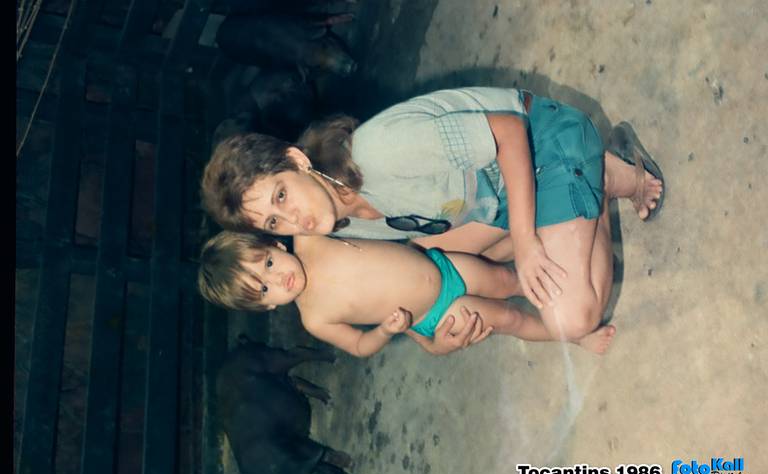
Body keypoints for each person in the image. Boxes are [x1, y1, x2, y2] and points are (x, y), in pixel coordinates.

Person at [201, 87, 664, 353]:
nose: (294, 219)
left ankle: (602, 177)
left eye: (281, 195)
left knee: (572, 319)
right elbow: (397, 285)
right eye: (275, 223)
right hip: (493, 197)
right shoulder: (334, 227)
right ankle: (566, 207)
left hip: (540, 143)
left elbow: (509, 131)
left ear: (296, 160)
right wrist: (433, 342)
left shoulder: (380, 150)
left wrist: (526, 242)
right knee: (430, 254)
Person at [197, 231, 615, 356]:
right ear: (268, 306)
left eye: (269, 263)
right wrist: (383, 330)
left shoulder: (310, 238)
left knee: (508, 280)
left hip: (442, 266)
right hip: (434, 315)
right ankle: (570, 336)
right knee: (509, 318)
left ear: (276, 245)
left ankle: (565, 292)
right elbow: (359, 346)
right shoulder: (314, 318)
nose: (278, 279)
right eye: (265, 288)